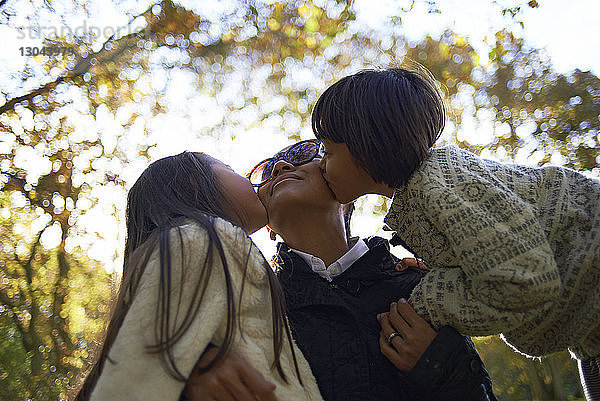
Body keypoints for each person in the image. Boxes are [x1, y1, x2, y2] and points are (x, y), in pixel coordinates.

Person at [312, 67, 600, 400]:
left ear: (367, 143)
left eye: (328, 151)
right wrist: (447, 271)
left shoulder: (437, 182)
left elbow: (525, 281)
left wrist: (428, 298)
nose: (321, 163)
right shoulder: (426, 191)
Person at [183, 140, 497, 401]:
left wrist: (438, 363)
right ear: (269, 230)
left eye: (302, 155)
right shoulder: (252, 311)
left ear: (343, 190)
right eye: (266, 172)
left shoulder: (421, 287)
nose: (280, 168)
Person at [75, 151, 322, 401]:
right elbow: (141, 374)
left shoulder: (217, 247)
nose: (250, 182)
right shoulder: (199, 239)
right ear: (195, 182)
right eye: (231, 168)